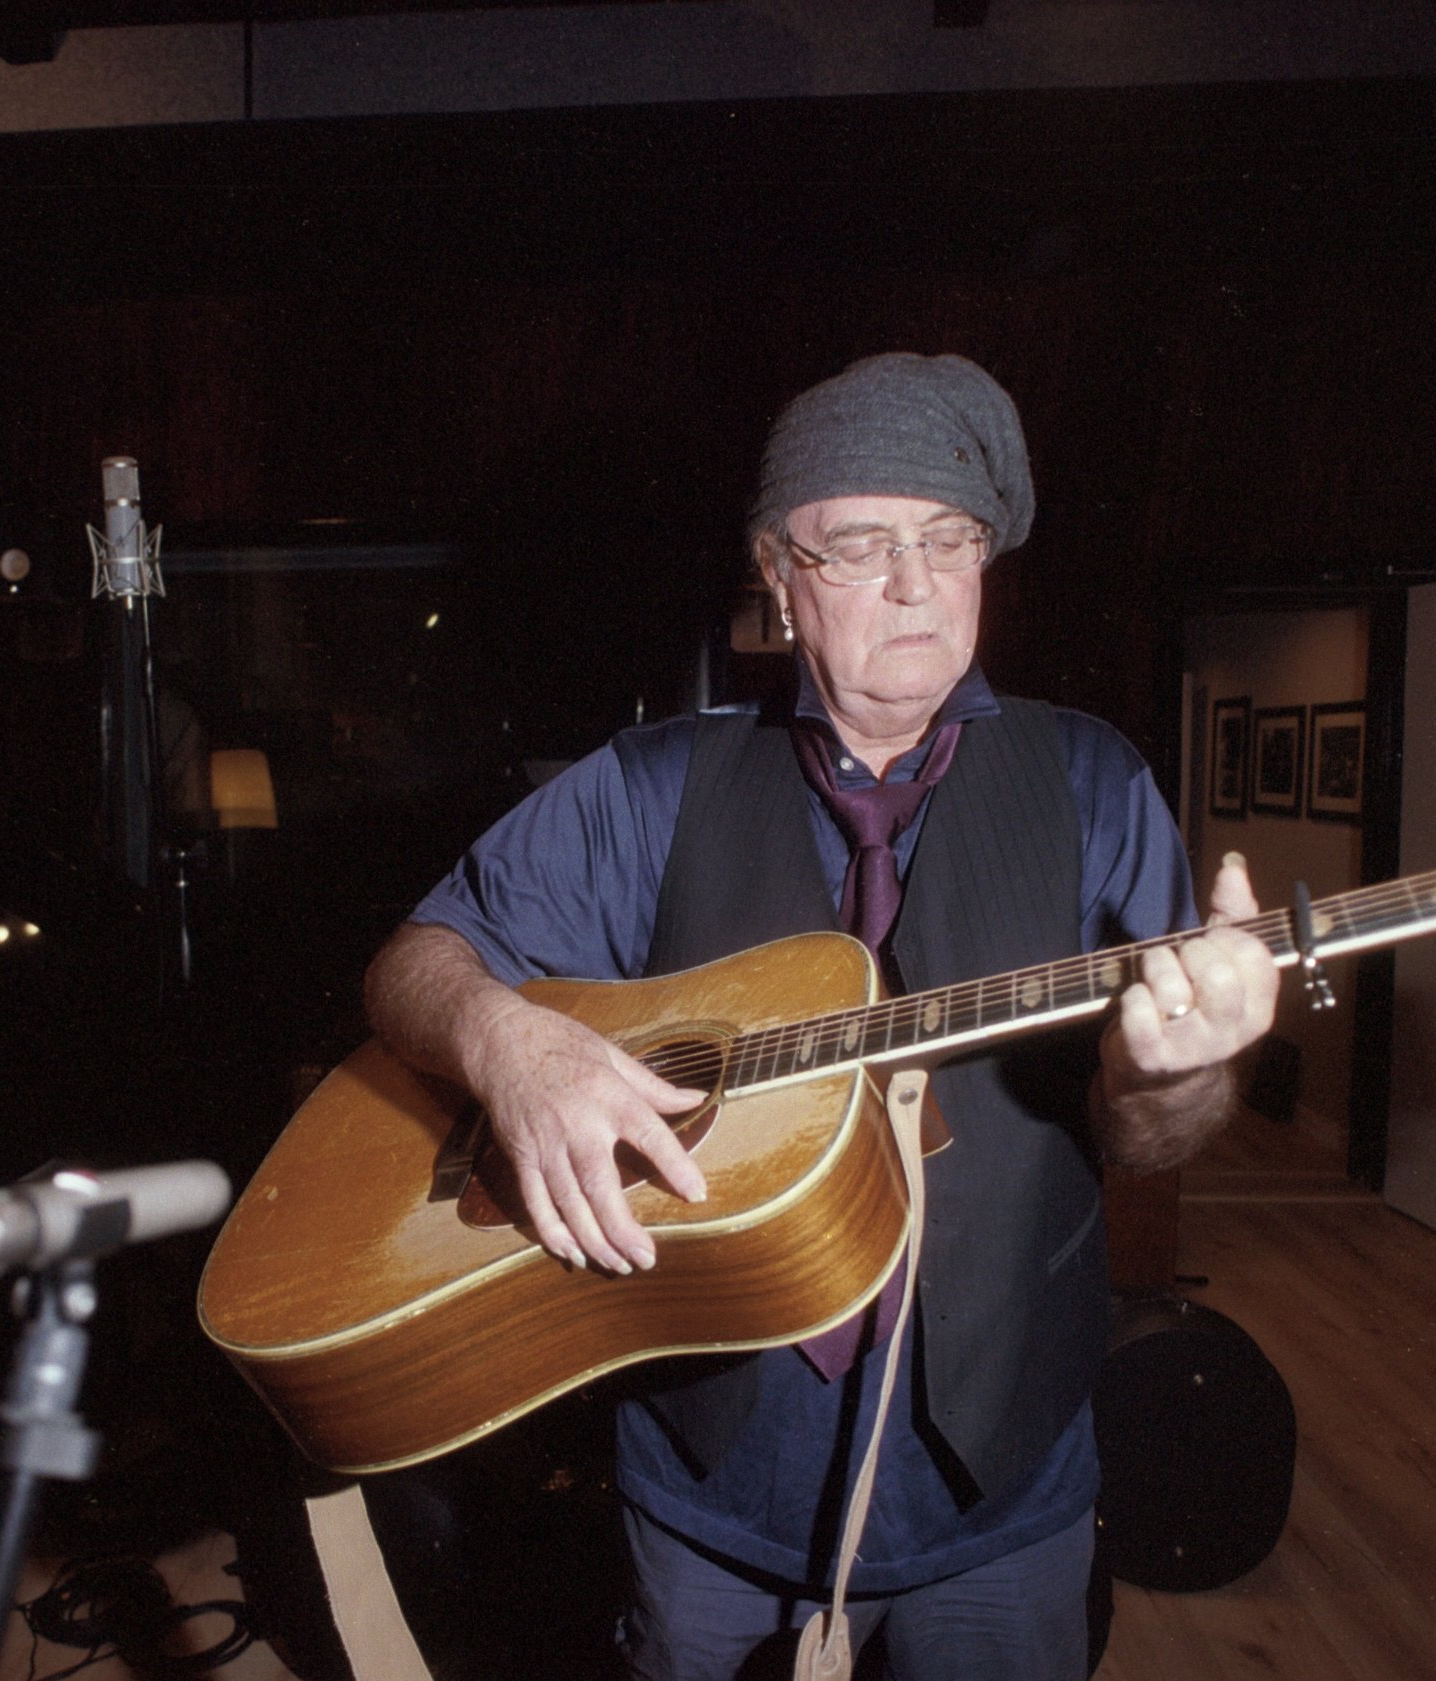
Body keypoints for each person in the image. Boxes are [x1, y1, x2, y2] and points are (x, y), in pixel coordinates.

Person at [360, 352, 1279, 1680]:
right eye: (860, 544)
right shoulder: (649, 787)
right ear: (779, 578)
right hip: (708, 1490)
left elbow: (1147, 1134)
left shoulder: (1092, 777)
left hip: (999, 1497)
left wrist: (1178, 1074)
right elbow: (413, 962)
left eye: (948, 539)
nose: (915, 582)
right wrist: (504, 1039)